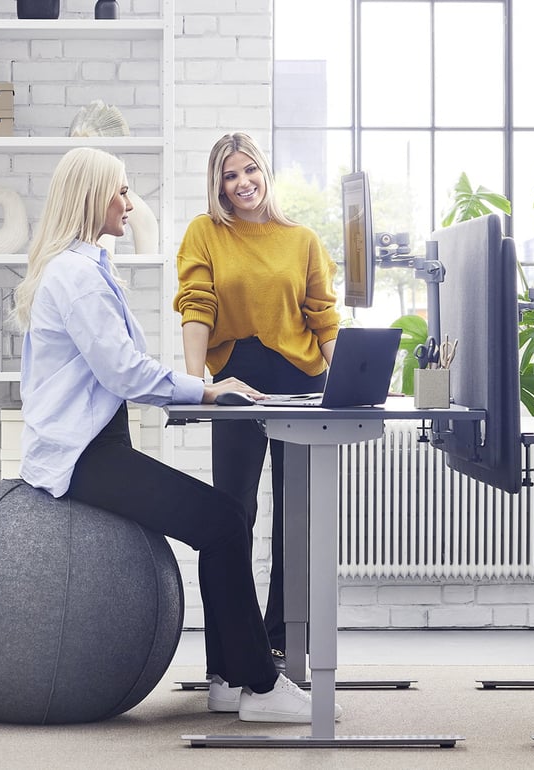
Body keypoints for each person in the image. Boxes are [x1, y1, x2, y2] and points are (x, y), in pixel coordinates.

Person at [13, 147, 341, 723]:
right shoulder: (78, 276)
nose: (128, 201)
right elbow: (123, 372)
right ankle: (260, 689)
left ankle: (231, 682)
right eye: (120, 191)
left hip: (95, 445)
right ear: (93, 199)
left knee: (223, 518)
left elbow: (120, 366)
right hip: (83, 454)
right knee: (221, 521)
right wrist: (207, 389)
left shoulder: (84, 267)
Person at [173, 133, 341, 667]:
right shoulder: (205, 233)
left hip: (300, 378)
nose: (242, 182)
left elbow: (322, 317)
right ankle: (230, 652)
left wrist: (352, 382)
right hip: (238, 382)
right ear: (217, 184)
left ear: (265, 172)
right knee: (233, 514)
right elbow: (196, 306)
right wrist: (195, 385)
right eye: (229, 175)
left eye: (250, 170)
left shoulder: (302, 239)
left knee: (298, 518)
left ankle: (284, 643)